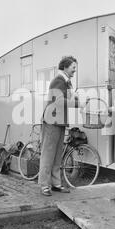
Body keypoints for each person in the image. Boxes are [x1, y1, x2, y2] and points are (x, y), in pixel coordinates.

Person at [38, 56, 82, 196]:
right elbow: (59, 100)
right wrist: (77, 104)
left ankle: (56, 183)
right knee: (48, 154)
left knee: (57, 154)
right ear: (65, 67)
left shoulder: (67, 82)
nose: (75, 70)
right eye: (73, 67)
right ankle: (44, 185)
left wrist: (76, 98)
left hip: (60, 121)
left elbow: (68, 98)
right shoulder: (58, 80)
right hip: (52, 121)